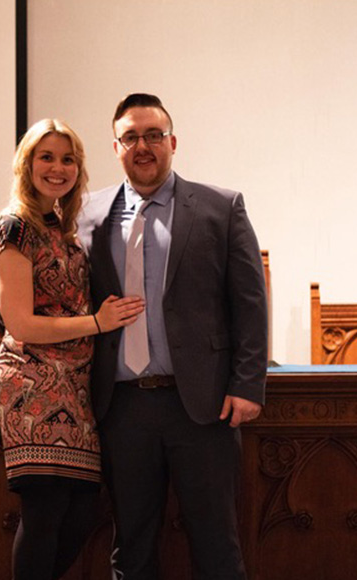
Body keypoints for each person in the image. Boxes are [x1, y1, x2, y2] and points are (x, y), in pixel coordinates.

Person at [76, 93, 268, 580]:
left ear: (173, 142)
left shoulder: (220, 207)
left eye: (154, 135)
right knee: (132, 547)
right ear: (115, 147)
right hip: (121, 407)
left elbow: (249, 301)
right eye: (131, 137)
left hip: (202, 408)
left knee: (217, 546)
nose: (143, 146)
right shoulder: (85, 214)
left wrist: (247, 385)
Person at [0, 118, 144, 580]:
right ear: (27, 163)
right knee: (45, 513)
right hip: (31, 383)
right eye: (47, 157)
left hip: (74, 385)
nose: (58, 168)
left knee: (80, 514)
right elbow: (19, 322)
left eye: (68, 158)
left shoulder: (62, 225)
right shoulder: (16, 225)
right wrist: (98, 323)